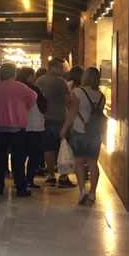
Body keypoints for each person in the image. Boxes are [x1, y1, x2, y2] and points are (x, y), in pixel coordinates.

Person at [0, 63, 37, 197]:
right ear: (14, 74)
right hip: (18, 125)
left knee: (1, 157)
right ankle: (21, 188)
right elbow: (34, 95)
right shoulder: (21, 87)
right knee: (18, 157)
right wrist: (26, 107)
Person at [59, 67, 106, 204]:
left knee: (79, 162)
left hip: (79, 131)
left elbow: (72, 112)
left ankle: (82, 191)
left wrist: (64, 128)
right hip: (94, 133)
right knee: (93, 163)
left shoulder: (78, 92)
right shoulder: (101, 95)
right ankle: (93, 193)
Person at [36, 57, 76, 188]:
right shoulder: (61, 81)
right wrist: (72, 116)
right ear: (51, 67)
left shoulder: (39, 80)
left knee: (48, 149)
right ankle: (63, 177)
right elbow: (68, 101)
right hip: (60, 118)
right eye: (60, 67)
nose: (62, 70)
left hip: (44, 118)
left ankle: (51, 176)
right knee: (63, 147)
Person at [17, 67, 48, 190]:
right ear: (28, 77)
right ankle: (29, 180)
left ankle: (19, 179)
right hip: (35, 125)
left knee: (21, 154)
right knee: (34, 154)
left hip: (20, 125)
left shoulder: (17, 89)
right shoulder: (35, 90)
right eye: (33, 75)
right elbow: (43, 107)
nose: (34, 77)